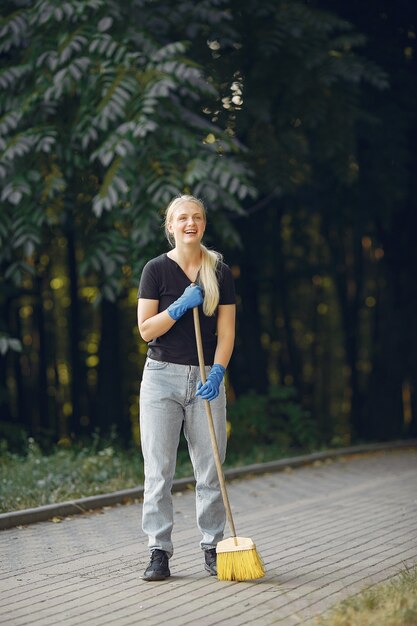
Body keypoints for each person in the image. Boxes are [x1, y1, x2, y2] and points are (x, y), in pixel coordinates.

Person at [137, 194, 236, 581]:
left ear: (204, 224)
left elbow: (227, 333)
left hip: (206, 377)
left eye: (196, 217)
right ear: (171, 225)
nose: (190, 223)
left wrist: (218, 372)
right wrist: (179, 306)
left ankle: (213, 547)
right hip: (161, 377)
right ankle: (158, 550)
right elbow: (146, 330)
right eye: (182, 218)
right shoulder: (156, 270)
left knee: (211, 469)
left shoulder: (219, 271)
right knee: (159, 471)